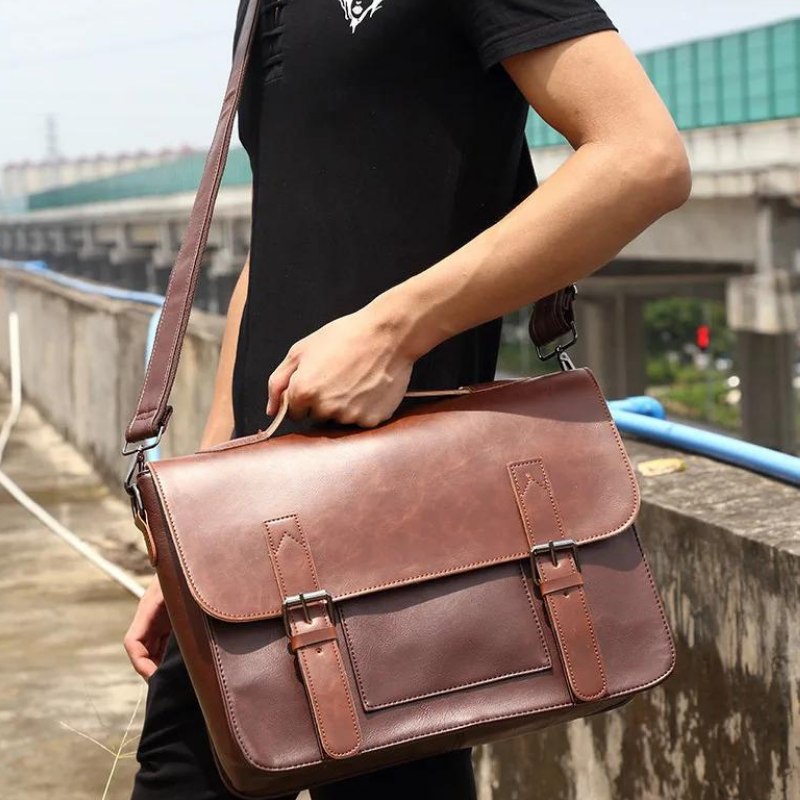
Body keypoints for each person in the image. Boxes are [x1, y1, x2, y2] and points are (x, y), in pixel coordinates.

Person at [124, 0, 692, 797]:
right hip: (258, 520)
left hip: (405, 532)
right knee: (184, 768)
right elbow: (280, 242)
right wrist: (198, 526)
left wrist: (394, 332)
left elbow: (644, 157)